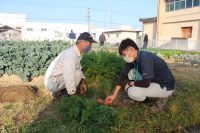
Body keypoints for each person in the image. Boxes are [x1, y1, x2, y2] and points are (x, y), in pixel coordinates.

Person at [105, 38, 175, 106]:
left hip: (165, 86)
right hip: (152, 80)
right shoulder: (132, 59)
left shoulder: (145, 58)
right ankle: (146, 95)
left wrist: (130, 83)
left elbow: (146, 83)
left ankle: (150, 100)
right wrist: (114, 95)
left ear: (131, 49)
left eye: (124, 54)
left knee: (132, 92)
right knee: (131, 73)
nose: (124, 57)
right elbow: (123, 75)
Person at [44, 32, 96, 97]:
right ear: (82, 42)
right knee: (77, 74)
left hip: (56, 79)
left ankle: (60, 91)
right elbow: (68, 75)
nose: (90, 46)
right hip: (52, 82)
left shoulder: (76, 54)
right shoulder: (71, 55)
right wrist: (73, 94)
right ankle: (64, 94)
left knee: (78, 73)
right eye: (90, 44)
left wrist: (82, 82)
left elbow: (78, 68)